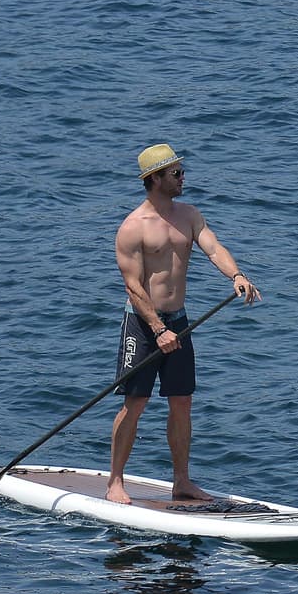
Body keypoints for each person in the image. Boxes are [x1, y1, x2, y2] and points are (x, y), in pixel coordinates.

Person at [107, 143, 262, 504]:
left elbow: (214, 248)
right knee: (136, 402)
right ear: (154, 178)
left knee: (182, 402)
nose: (182, 178)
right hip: (143, 325)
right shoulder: (133, 228)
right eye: (175, 173)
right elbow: (133, 287)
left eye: (181, 171)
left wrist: (236, 275)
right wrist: (158, 330)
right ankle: (115, 482)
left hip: (179, 321)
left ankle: (182, 481)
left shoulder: (189, 215)